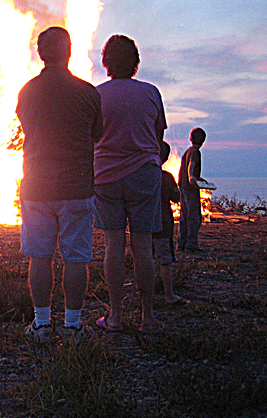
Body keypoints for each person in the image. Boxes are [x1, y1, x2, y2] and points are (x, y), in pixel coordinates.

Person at [16, 26, 103, 343]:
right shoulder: (87, 92)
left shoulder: (27, 91)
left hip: (37, 187)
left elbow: (26, 128)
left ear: (40, 54)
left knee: (40, 257)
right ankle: (73, 326)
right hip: (77, 187)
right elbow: (98, 134)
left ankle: (41, 325)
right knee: (75, 258)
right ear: (69, 51)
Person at [93, 34, 166, 334]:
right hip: (144, 175)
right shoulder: (151, 92)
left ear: (106, 62)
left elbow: (92, 137)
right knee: (143, 246)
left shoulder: (96, 95)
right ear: (136, 61)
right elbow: (158, 137)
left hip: (106, 176)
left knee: (113, 245)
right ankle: (148, 317)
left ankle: (116, 316)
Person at [153, 141, 185, 305]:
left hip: (143, 225)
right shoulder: (166, 177)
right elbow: (176, 197)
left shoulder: (143, 176)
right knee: (165, 260)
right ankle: (169, 294)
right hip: (163, 226)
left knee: (144, 258)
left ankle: (145, 292)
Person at [178, 127, 207, 252]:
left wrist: (198, 178)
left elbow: (188, 167)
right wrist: (192, 178)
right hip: (190, 188)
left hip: (183, 186)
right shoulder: (195, 152)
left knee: (184, 215)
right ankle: (191, 244)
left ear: (190, 138)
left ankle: (181, 243)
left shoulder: (188, 151)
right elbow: (191, 166)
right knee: (194, 216)